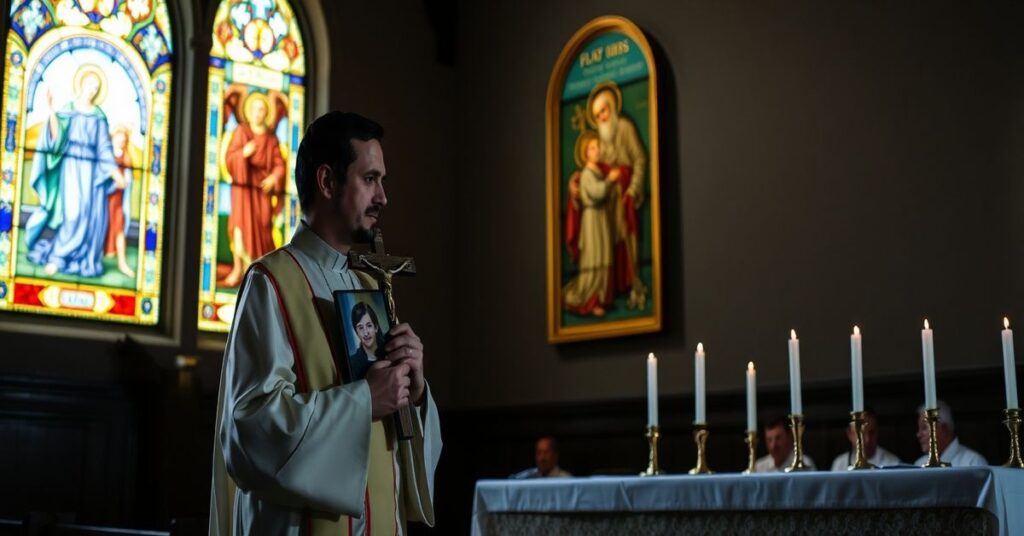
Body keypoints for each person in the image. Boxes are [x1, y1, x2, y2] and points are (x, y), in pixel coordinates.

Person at [210, 112, 441, 535]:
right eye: (370, 179)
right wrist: (364, 402)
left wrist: (416, 388)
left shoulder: (369, 283)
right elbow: (250, 432)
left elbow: (395, 435)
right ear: (327, 182)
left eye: (382, 180)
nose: (383, 197)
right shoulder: (271, 283)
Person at [25, 64, 125, 277]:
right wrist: (51, 110)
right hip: (71, 168)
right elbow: (56, 138)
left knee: (88, 217)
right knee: (73, 214)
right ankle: (57, 257)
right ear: (81, 83)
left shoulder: (98, 117)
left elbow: (104, 149)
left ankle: (79, 257)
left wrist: (115, 173)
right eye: (90, 84)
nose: (92, 90)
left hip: (92, 173)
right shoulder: (67, 110)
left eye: (96, 87)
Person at [588, 83, 647, 310]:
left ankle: (635, 284)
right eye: (596, 115)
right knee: (610, 243)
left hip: (626, 194)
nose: (601, 117)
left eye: (603, 111)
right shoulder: (600, 140)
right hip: (609, 199)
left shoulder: (624, 127)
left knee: (629, 239)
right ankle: (617, 286)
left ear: (612, 108)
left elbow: (639, 159)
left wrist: (633, 188)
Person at [222, 91, 287, 287]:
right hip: (242, 191)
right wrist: (243, 153)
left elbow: (279, 165)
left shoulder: (270, 139)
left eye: (262, 110)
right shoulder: (241, 132)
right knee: (239, 229)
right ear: (249, 112)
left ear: (266, 113)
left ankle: (258, 272)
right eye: (255, 109)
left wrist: (274, 177)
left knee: (263, 229)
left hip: (262, 192)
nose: (258, 113)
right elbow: (229, 158)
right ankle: (238, 268)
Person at [562, 131, 620, 316]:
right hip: (592, 220)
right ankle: (590, 299)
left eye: (598, 147)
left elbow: (607, 194)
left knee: (604, 257)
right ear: (585, 152)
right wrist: (610, 180)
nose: (597, 151)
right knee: (594, 259)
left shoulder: (598, 171)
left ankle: (602, 298)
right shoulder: (587, 173)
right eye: (592, 148)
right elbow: (596, 193)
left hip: (601, 218)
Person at [914, 401, 987, 467]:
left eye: (924, 428)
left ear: (944, 429)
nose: (918, 435)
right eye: (919, 429)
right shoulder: (919, 464)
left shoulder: (973, 462)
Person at [104, 125, 135, 278]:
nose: (121, 142)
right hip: (104, 199)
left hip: (118, 201)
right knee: (100, 228)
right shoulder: (107, 154)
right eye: (119, 139)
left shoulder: (126, 156)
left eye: (124, 140)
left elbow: (128, 177)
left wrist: (125, 181)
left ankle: (122, 263)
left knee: (119, 229)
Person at [829, 409, 902, 471]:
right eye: (862, 433)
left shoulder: (893, 464)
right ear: (849, 434)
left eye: (871, 433)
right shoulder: (840, 464)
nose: (867, 440)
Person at [348, 300, 387, 381]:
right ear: (356, 332)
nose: (366, 333)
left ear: (375, 327)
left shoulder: (389, 351)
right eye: (360, 328)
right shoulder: (352, 363)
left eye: (369, 325)